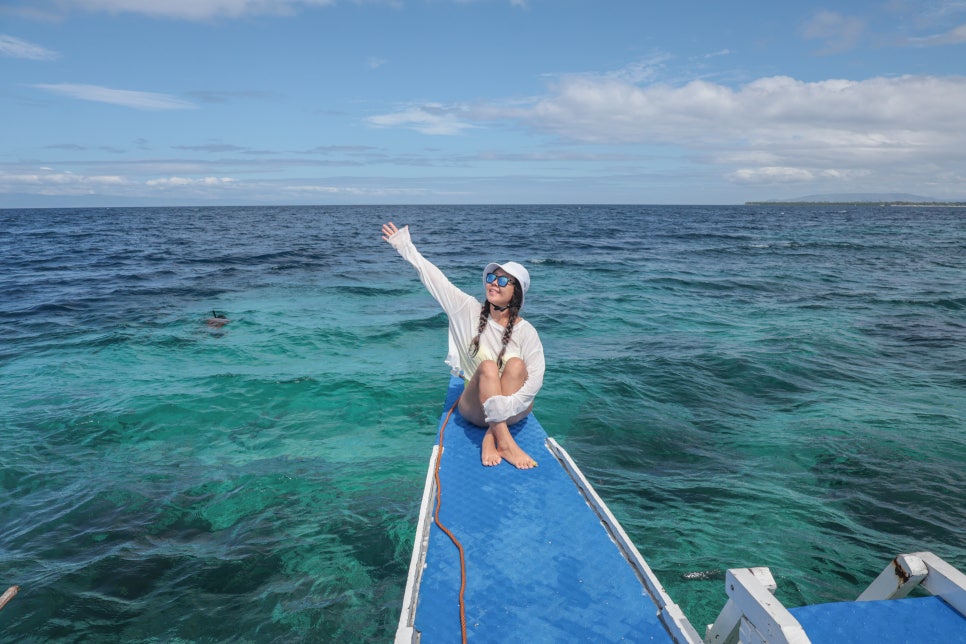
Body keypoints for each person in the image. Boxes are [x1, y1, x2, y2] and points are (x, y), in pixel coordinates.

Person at [381, 221, 544, 469]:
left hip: (514, 408)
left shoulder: (527, 331)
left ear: (517, 293)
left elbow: (534, 382)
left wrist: (505, 406)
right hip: (475, 409)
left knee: (517, 365)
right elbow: (436, 279)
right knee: (488, 367)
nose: (493, 283)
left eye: (502, 281)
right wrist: (405, 246)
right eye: (491, 277)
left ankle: (493, 435)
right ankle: (506, 443)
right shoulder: (466, 309)